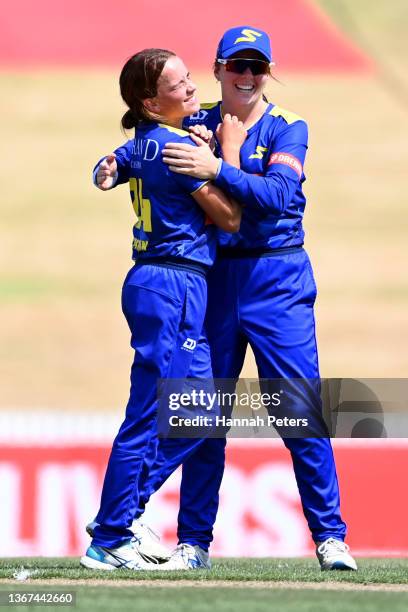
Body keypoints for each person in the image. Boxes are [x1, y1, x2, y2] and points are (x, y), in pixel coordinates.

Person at [133, 26, 358, 572]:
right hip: (213, 282)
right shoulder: (195, 121)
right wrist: (112, 167)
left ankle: (330, 538)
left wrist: (219, 169)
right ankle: (192, 543)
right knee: (202, 415)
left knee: (299, 411)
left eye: (258, 67)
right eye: (238, 65)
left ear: (268, 72)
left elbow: (279, 199)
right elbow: (145, 147)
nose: (248, 77)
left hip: (278, 279)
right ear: (217, 69)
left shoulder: (288, 128)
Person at [80, 47, 243, 571]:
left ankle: (119, 514)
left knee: (198, 412)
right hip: (170, 282)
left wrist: (107, 169)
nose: (193, 88)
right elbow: (230, 218)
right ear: (151, 101)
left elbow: (110, 167)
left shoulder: (146, 142)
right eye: (180, 84)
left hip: (174, 284)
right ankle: (111, 534)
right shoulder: (175, 149)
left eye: (190, 77)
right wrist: (224, 160)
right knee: (149, 414)